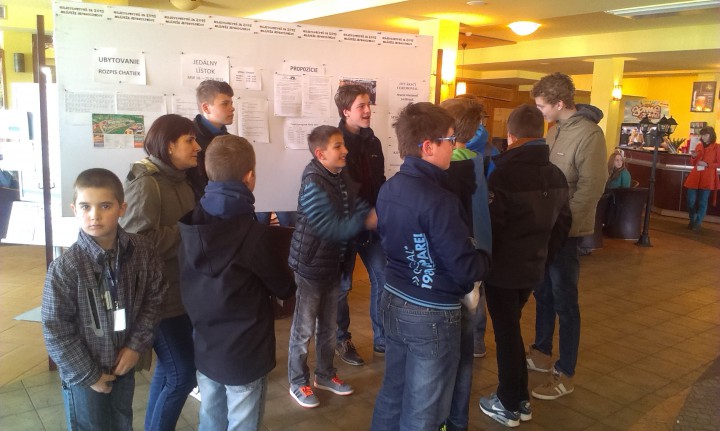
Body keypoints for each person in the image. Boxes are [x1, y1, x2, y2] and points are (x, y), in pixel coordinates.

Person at [370, 102, 491, 431]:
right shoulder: (439, 199)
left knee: (393, 393)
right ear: (428, 146)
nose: (454, 146)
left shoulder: (391, 187)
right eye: (450, 140)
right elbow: (464, 269)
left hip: (394, 298)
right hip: (431, 312)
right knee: (423, 411)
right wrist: (485, 258)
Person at [178, 135, 296, 430]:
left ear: (208, 172)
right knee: (243, 422)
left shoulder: (191, 224)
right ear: (249, 177)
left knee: (211, 417)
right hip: (245, 351)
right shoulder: (253, 235)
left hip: (205, 344)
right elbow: (283, 286)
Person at [42, 168, 166, 431]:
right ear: (75, 209)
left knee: (122, 422)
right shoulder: (66, 268)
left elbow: (155, 297)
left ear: (122, 208)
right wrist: (89, 375)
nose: (94, 215)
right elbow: (55, 329)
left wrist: (135, 346)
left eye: (105, 206)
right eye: (85, 207)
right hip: (83, 374)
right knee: (91, 426)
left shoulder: (142, 250)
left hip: (123, 362)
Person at [478, 105, 571, 428]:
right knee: (511, 329)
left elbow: (492, 227)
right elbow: (563, 226)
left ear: (511, 135)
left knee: (506, 333)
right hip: (533, 268)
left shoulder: (503, 174)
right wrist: (543, 257)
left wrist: (484, 262)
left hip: (502, 270)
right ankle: (520, 399)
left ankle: (507, 403)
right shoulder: (556, 174)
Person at [527, 73, 607, 401]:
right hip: (545, 230)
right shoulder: (554, 130)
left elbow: (591, 188)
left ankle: (565, 373)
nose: (539, 111)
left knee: (565, 301)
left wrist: (561, 225)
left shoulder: (590, 135)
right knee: (543, 292)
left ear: (559, 103)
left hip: (565, 233)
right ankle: (542, 352)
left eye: (542, 106)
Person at [287, 125, 376, 408]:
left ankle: (324, 375)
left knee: (328, 326)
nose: (345, 150)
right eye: (338, 146)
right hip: (311, 266)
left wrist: (365, 212)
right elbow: (330, 227)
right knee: (303, 329)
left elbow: (352, 205)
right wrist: (365, 219)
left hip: (334, 264)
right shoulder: (313, 181)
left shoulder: (338, 175)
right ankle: (297, 382)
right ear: (320, 154)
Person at [121, 114, 200, 430]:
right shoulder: (147, 182)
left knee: (171, 371)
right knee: (183, 374)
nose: (197, 147)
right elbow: (135, 243)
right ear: (169, 146)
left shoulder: (180, 180)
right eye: (189, 140)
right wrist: (189, 233)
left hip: (181, 292)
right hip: (158, 299)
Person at [438, 96, 493, 431]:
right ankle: (456, 421)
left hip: (454, 262)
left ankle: (443, 418)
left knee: (447, 350)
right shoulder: (476, 159)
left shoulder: (449, 166)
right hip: (475, 259)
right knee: (463, 346)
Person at [333, 84, 387, 366]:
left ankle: (383, 339)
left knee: (383, 278)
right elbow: (332, 191)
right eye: (361, 106)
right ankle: (341, 339)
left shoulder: (373, 141)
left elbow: (379, 181)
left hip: (373, 227)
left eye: (368, 105)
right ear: (346, 111)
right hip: (345, 228)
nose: (368, 111)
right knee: (342, 288)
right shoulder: (333, 143)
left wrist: (383, 210)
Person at [188, 79, 235, 199]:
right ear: (206, 108)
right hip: (198, 206)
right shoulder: (188, 138)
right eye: (225, 104)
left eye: (231, 103)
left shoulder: (230, 141)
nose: (232, 108)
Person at [684, 126, 719, 231]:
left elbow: (719, 163)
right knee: (690, 201)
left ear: (711, 135)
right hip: (695, 177)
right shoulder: (698, 145)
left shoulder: (717, 147)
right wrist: (694, 156)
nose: (703, 137)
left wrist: (707, 164)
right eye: (702, 135)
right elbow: (693, 163)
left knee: (702, 202)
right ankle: (692, 219)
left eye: (706, 135)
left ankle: (698, 222)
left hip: (707, 177)